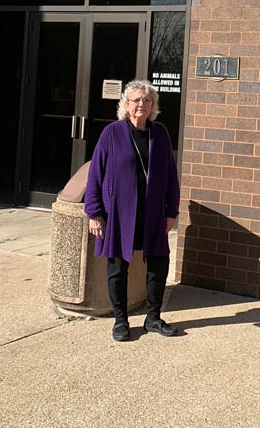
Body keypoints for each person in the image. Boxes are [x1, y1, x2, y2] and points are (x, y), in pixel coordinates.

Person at [85, 80, 180, 341]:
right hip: (119, 213)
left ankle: (153, 318)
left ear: (153, 106)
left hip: (153, 214)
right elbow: (95, 175)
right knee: (117, 268)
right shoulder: (112, 133)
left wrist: (171, 211)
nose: (142, 104)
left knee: (159, 264)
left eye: (147, 100)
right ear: (126, 105)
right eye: (136, 100)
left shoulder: (160, 133)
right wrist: (94, 213)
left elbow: (171, 176)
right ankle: (121, 321)